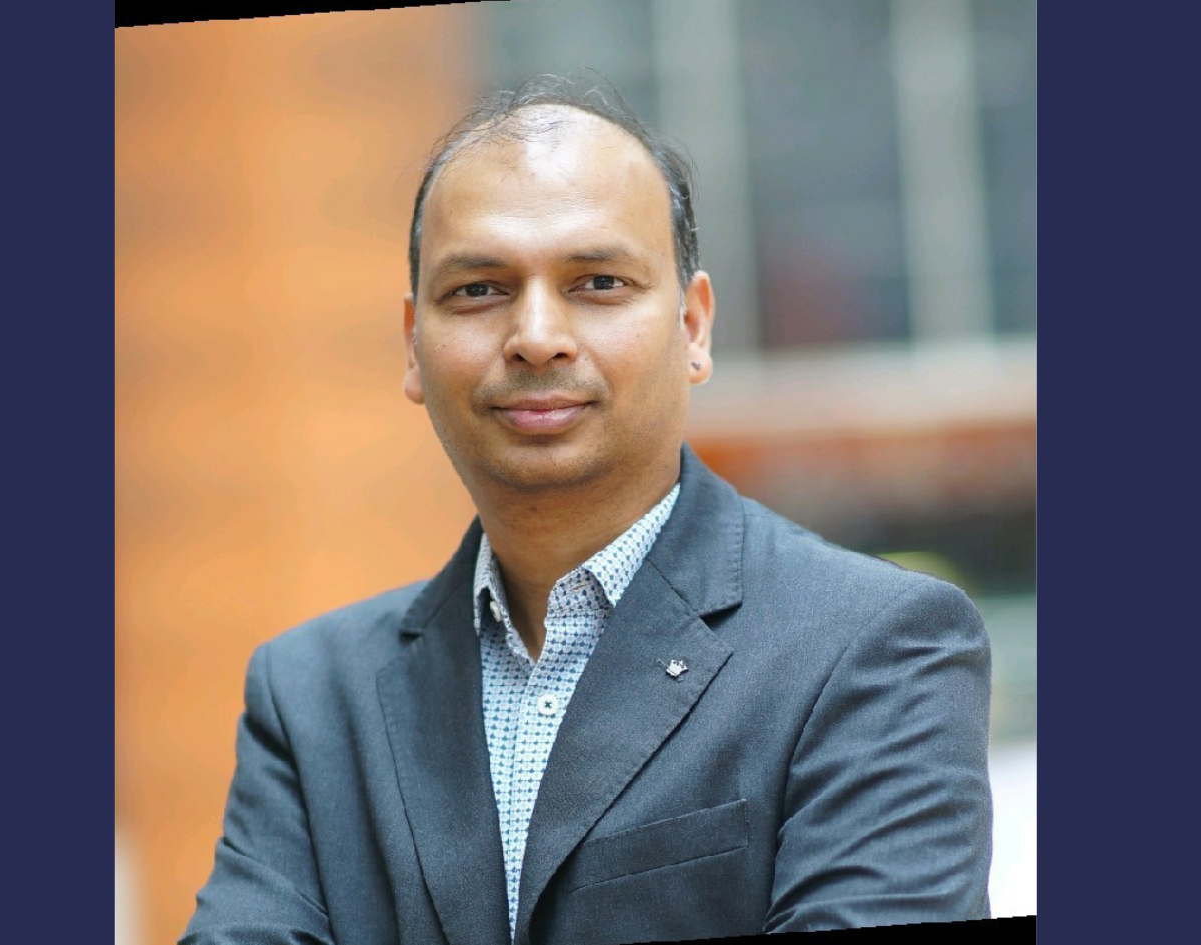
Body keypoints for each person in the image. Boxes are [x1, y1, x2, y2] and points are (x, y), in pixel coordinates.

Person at [181, 74, 993, 945]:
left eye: (598, 282)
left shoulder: (873, 650)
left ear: (693, 326)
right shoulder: (310, 698)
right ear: (412, 342)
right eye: (478, 290)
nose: (536, 336)